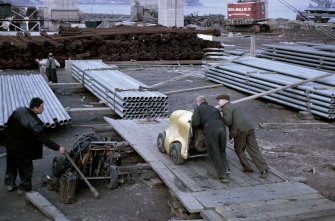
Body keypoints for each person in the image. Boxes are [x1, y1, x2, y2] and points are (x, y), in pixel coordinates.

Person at [3, 97, 65, 193]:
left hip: (10, 143)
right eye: (41, 107)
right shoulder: (34, 123)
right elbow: (44, 139)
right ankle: (25, 187)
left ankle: (10, 184)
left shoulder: (19, 110)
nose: (43, 109)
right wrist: (58, 148)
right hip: (22, 148)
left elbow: (8, 123)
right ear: (35, 108)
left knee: (11, 164)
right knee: (26, 167)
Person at [216, 94, 270, 178]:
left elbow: (228, 122)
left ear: (224, 100)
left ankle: (247, 168)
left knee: (238, 149)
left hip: (240, 130)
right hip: (249, 128)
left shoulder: (226, 108)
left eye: (219, 100)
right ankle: (264, 169)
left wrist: (221, 117)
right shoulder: (233, 105)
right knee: (254, 149)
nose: (217, 102)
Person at [191, 95, 229, 183]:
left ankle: (222, 176)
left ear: (198, 103)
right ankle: (227, 169)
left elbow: (196, 123)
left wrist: (193, 121)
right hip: (222, 128)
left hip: (211, 130)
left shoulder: (198, 109)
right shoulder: (214, 109)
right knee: (221, 150)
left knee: (214, 152)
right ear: (206, 101)